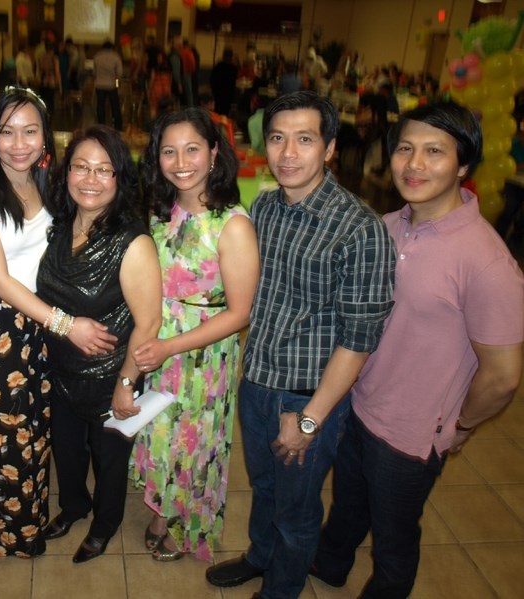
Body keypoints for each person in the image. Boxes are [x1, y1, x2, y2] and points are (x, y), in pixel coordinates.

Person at [312, 102, 524, 598]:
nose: (414, 164)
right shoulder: (386, 227)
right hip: (357, 408)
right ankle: (327, 567)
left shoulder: (487, 261)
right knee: (345, 508)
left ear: (464, 165)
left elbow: (504, 376)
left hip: (409, 440)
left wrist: (459, 426)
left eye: (435, 151)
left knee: (393, 540)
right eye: (405, 149)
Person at [204, 90, 396, 599]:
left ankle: (281, 590)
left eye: (304, 139)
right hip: (259, 381)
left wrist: (309, 420)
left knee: (298, 509)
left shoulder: (360, 230)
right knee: (265, 489)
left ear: (330, 148)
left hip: (308, 397)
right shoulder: (265, 207)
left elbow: (358, 342)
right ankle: (260, 557)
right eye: (277, 138)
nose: (288, 153)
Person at [0, 86, 116, 558]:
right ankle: (12, 538)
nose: (19, 143)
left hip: (38, 322)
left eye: (30, 130)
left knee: (34, 432)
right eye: (6, 132)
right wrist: (67, 325)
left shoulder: (43, 182)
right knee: (2, 436)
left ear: (46, 137)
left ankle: (31, 521)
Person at [129, 107, 260, 562]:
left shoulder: (232, 224)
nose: (181, 161)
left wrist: (171, 346)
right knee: (160, 430)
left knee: (194, 438)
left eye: (192, 149)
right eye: (169, 151)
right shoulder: (160, 212)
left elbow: (241, 312)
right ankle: (164, 507)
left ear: (214, 153)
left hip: (201, 356)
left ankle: (187, 523)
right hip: (156, 342)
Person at [37, 125, 162, 563]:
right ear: (65, 172)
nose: (90, 179)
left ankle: (104, 524)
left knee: (109, 462)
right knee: (67, 454)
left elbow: (148, 323)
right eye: (81, 167)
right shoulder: (57, 224)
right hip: (62, 370)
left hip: (112, 377)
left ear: (119, 178)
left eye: (103, 170)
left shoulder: (133, 240)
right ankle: (73, 507)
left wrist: (127, 384)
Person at [93, 41, 123, 131]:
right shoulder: (115, 56)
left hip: (99, 84)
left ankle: (100, 125)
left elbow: (94, 73)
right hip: (111, 85)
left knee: (100, 106)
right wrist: (117, 82)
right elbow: (120, 73)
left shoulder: (97, 56)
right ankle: (117, 126)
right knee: (115, 106)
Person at [209, 48, 238, 117]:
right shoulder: (233, 68)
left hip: (218, 93)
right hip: (228, 94)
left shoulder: (218, 66)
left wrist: (213, 90)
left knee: (217, 111)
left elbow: (212, 79)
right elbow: (234, 82)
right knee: (225, 112)